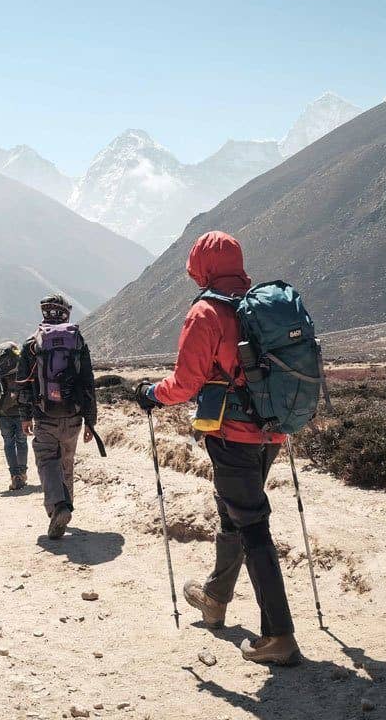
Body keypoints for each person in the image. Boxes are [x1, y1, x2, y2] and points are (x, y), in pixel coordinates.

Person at [135, 231, 299, 666]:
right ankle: (215, 598)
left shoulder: (207, 312)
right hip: (272, 431)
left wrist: (151, 394)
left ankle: (278, 635)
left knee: (251, 525)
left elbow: (186, 383)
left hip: (231, 434)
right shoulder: (261, 308)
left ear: (202, 266)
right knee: (236, 513)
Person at [17, 293, 97, 540]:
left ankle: (58, 508)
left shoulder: (33, 343)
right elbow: (87, 382)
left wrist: (25, 415)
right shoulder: (77, 340)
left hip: (45, 415)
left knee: (46, 461)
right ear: (66, 313)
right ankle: (67, 506)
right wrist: (90, 421)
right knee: (66, 462)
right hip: (73, 415)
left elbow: (23, 383)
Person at [0, 342, 28, 491]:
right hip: (21, 413)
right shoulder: (20, 369)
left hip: (3, 415)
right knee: (21, 442)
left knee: (8, 444)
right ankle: (22, 473)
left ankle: (14, 476)